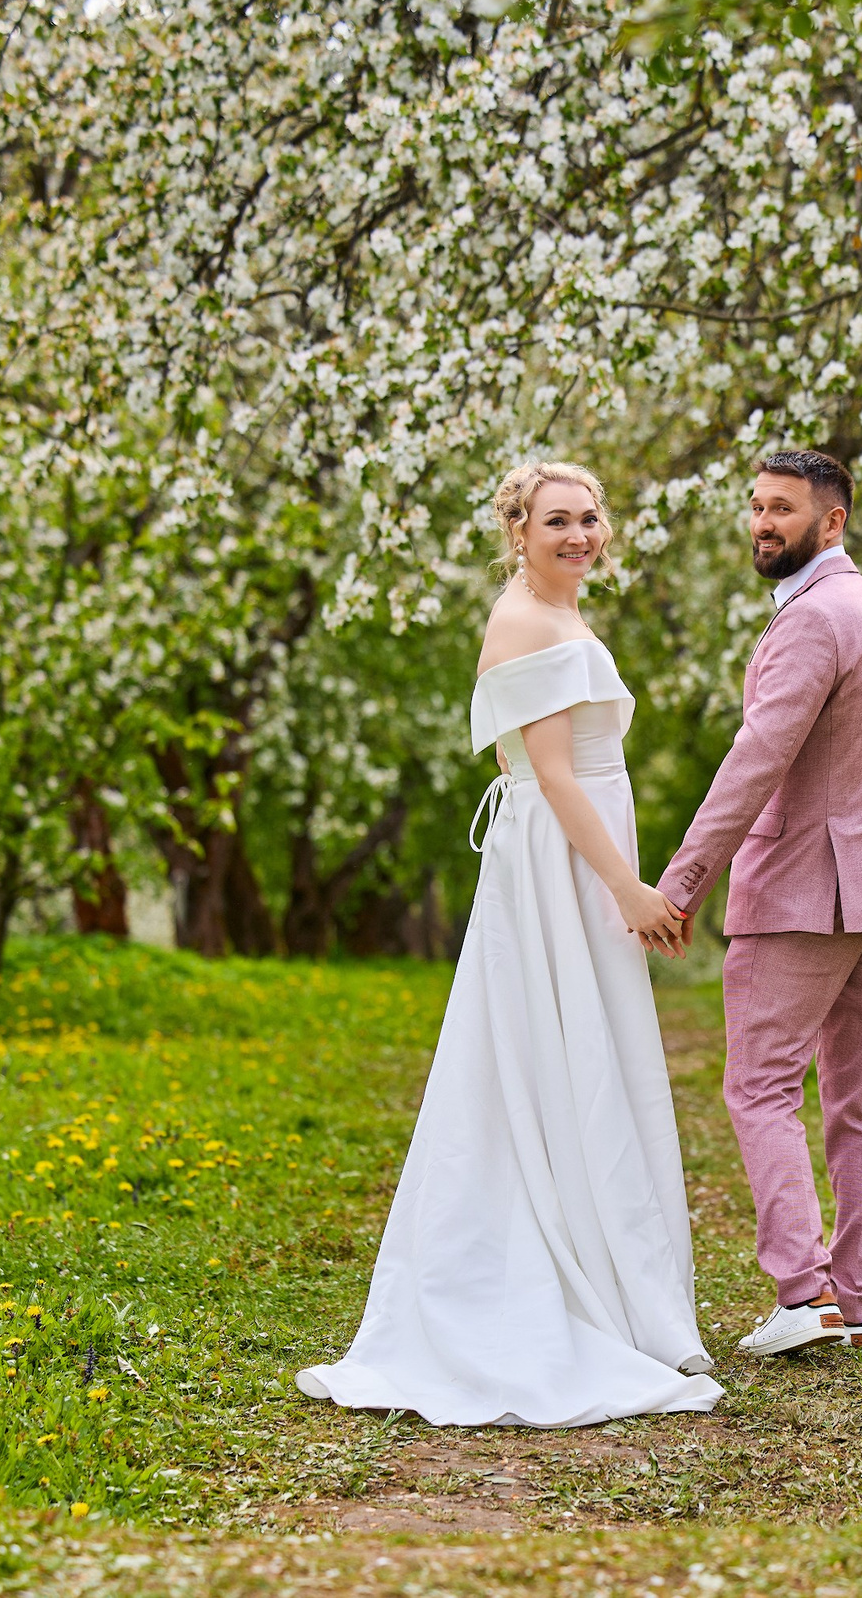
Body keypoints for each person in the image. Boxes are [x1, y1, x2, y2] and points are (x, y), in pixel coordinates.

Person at [296, 461, 719, 1426]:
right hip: (563, 863)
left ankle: (609, 1268)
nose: (580, 534)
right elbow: (552, 774)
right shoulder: (524, 618)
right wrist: (626, 887)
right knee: (547, 1050)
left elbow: (539, 761)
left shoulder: (558, 612)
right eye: (557, 520)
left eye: (591, 517)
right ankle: (544, 1275)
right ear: (519, 531)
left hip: (571, 847)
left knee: (582, 1050)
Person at [658, 450, 862, 1357]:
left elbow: (756, 759)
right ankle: (857, 1302)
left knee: (761, 1084)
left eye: (783, 508)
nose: (763, 522)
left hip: (810, 893)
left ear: (833, 520)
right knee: (858, 1095)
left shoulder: (815, 618)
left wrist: (683, 881)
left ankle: (805, 1293)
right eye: (757, 505)